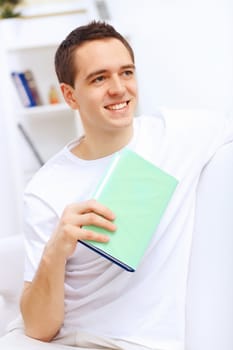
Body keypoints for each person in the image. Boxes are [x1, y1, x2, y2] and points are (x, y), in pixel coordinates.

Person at [1, 20, 233, 350]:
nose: (119, 88)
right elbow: (39, 329)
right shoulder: (46, 187)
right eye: (99, 78)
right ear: (70, 95)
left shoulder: (178, 135)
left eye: (126, 72)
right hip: (58, 339)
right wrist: (57, 249)